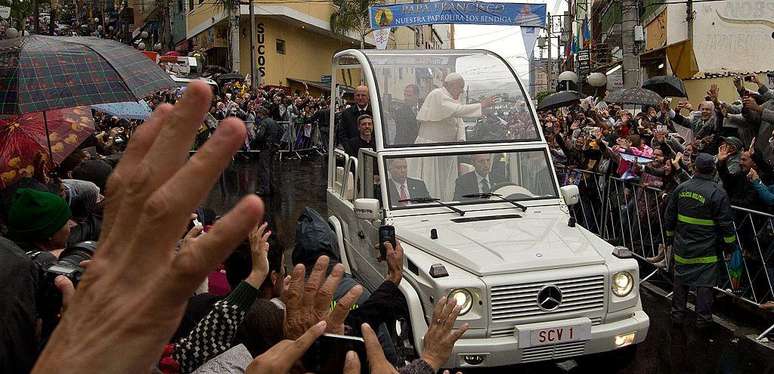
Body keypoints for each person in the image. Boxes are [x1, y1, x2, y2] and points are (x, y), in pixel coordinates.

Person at [664, 153, 737, 327]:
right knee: (704, 284)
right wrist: (730, 247)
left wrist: (669, 239)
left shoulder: (682, 188)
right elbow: (726, 225)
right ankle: (703, 320)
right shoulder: (717, 192)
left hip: (682, 247)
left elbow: (669, 217)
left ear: (695, 168)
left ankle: (677, 315)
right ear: (713, 169)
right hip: (707, 250)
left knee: (680, 280)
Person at [412, 73, 495, 200]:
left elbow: (459, 121)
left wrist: (461, 138)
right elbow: (458, 110)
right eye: (460, 87)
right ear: (450, 85)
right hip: (431, 149)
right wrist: (481, 105)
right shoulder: (437, 94)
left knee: (447, 184)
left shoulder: (452, 98)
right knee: (432, 183)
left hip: (447, 151)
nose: (462, 90)